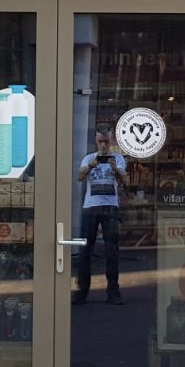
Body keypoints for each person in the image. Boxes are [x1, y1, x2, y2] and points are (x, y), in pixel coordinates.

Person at [75, 129, 127, 305]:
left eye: (106, 141)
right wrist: (90, 166)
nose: (104, 145)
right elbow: (80, 177)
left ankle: (113, 292)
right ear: (96, 142)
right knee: (85, 250)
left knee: (112, 250)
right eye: (100, 142)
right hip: (91, 206)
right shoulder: (89, 158)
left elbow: (125, 181)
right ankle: (82, 291)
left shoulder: (117, 158)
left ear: (110, 141)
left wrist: (116, 170)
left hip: (110, 207)